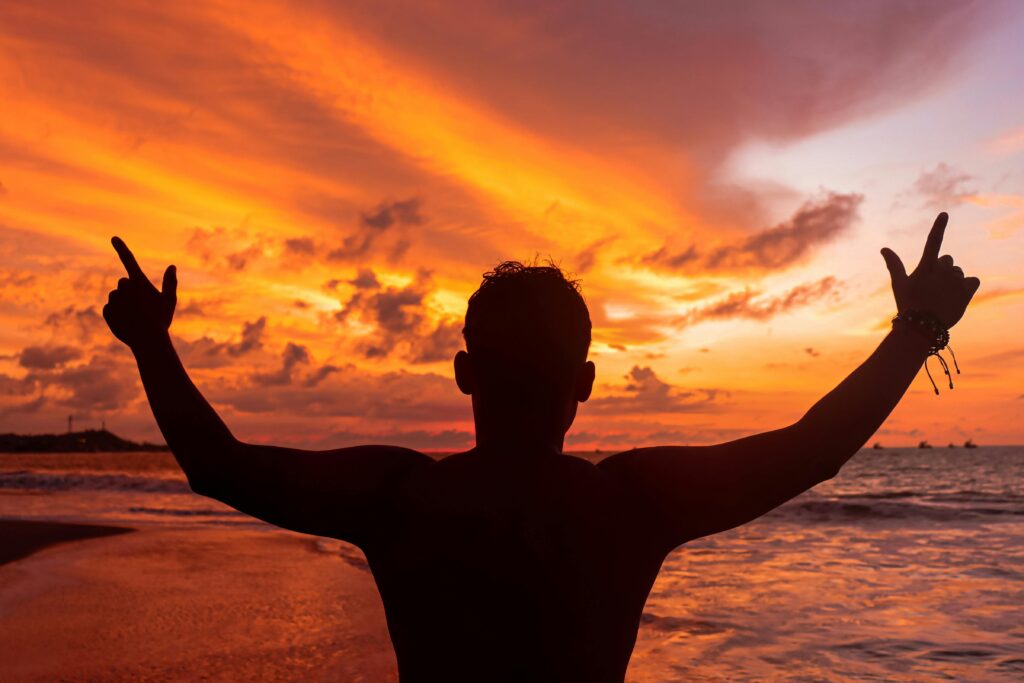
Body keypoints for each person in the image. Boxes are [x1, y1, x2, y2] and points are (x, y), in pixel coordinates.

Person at [103, 213, 978, 682]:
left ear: (463, 375)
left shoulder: (402, 498)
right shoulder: (629, 505)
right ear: (587, 383)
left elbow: (218, 465)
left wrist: (153, 343)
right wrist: (913, 334)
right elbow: (811, 448)